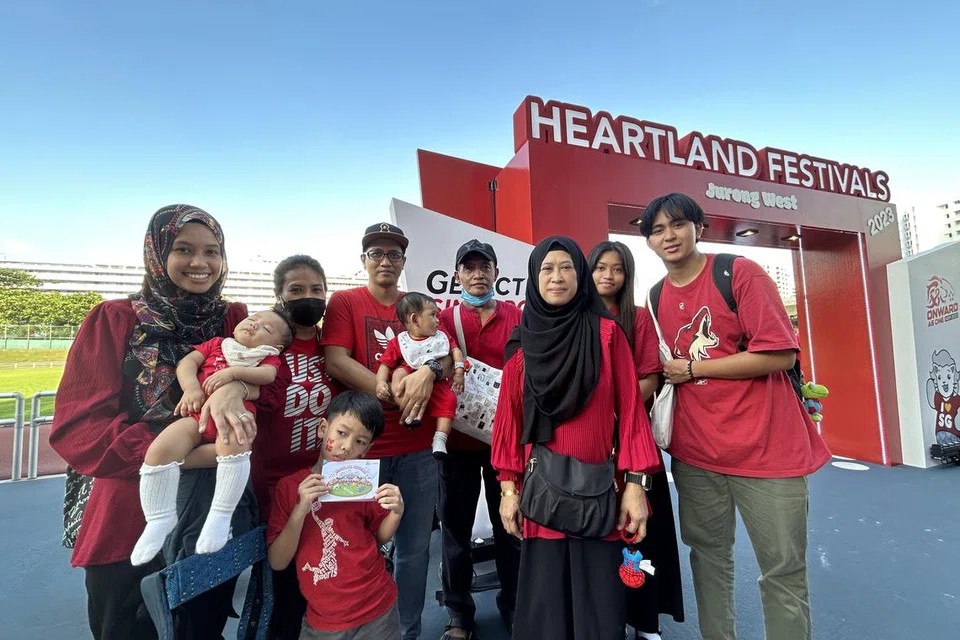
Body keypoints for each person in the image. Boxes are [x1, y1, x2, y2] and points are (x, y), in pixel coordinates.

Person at [49, 204, 266, 639]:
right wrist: (180, 455)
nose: (200, 263)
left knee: (202, 627)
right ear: (157, 252)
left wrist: (235, 386)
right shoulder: (115, 320)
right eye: (184, 249)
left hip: (212, 512)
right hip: (130, 515)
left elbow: (266, 384)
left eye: (212, 251)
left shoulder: (234, 320)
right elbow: (79, 430)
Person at [638, 192, 831, 640]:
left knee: (782, 570)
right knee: (708, 559)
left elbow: (780, 354)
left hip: (769, 453)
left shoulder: (737, 273)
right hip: (697, 455)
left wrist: (694, 368)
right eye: (657, 230)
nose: (669, 236)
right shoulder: (655, 295)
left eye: (678, 224)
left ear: (698, 228)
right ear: (648, 241)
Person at [491, 236, 662, 640]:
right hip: (542, 495)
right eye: (546, 269)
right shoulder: (521, 343)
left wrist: (636, 487)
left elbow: (632, 416)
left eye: (566, 267)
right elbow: (508, 423)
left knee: (598, 609)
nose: (557, 277)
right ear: (534, 278)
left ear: (580, 275)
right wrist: (507, 490)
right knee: (546, 608)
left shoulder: (606, 335)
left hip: (597, 494)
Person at [322, 222, 448, 640]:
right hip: (359, 452)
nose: (385, 261)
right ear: (364, 260)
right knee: (353, 546)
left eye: (393, 255)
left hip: (417, 448)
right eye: (376, 253)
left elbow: (447, 357)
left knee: (414, 550)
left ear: (403, 262)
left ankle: (406, 631)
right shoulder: (344, 302)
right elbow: (336, 359)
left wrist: (428, 372)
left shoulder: (422, 306)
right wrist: (386, 387)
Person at [131, 308, 293, 565]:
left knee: (235, 446)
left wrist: (233, 374)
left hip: (234, 420)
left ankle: (220, 515)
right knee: (159, 451)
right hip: (195, 415)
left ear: (277, 346)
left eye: (266, 328)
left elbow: (268, 376)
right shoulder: (217, 344)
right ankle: (159, 518)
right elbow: (187, 363)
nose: (254, 324)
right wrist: (191, 388)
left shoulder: (266, 358)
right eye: (253, 319)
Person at [588, 240, 685, 640]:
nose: (608, 276)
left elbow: (651, 376)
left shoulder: (638, 318)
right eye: (600, 268)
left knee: (641, 529)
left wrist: (617, 409)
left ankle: (645, 619)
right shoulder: (574, 316)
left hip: (631, 440)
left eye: (617, 269)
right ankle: (603, 615)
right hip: (588, 445)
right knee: (597, 532)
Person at [436, 239, 521, 640]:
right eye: (468, 267)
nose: (476, 274)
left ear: (496, 271)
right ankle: (458, 615)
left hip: (507, 446)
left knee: (511, 529)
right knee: (454, 532)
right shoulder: (441, 318)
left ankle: (515, 605)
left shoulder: (518, 316)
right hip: (454, 445)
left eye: (483, 266)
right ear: (457, 275)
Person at [267, 391, 405, 640]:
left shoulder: (363, 486)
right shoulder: (290, 488)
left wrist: (395, 513)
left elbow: (379, 537)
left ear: (368, 449)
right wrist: (300, 509)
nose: (347, 447)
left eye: (360, 441)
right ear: (323, 428)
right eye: (342, 433)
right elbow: (278, 561)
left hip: (378, 609)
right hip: (323, 621)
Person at [253, 254, 341, 640]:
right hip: (269, 490)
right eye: (297, 290)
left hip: (320, 485)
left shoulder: (334, 351)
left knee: (318, 584)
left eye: (317, 290)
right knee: (280, 592)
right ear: (279, 296)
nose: (309, 297)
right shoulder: (267, 351)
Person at [376, 292, 465, 459]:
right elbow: (385, 364)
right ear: (415, 319)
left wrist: (459, 372)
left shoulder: (440, 337)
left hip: (437, 382)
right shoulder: (399, 342)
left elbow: (455, 352)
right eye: (433, 315)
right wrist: (380, 383)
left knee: (450, 400)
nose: (438, 320)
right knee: (399, 374)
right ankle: (412, 416)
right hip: (408, 374)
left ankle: (440, 439)